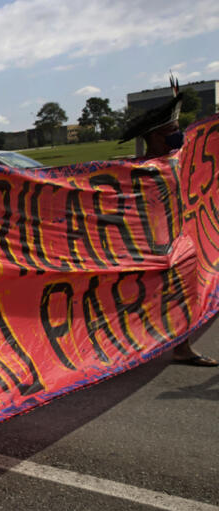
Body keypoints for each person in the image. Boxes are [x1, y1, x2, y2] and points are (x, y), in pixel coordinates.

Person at [121, 79, 218, 367]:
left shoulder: (179, 161)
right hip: (149, 249)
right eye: (173, 132)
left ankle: (181, 347)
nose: (179, 136)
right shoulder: (140, 171)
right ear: (155, 136)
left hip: (178, 244)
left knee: (181, 295)